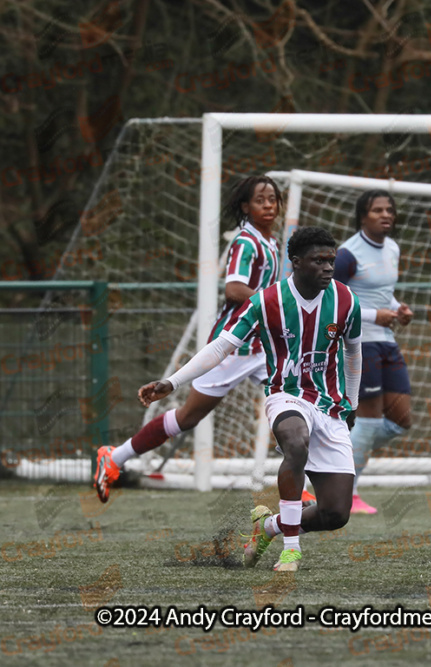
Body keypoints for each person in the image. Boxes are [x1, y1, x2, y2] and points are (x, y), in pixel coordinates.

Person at [138, 226, 362, 572]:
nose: (328, 268)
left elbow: (353, 353)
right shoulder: (266, 301)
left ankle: (269, 526)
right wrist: (173, 381)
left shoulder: (346, 299)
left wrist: (352, 402)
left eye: (331, 260)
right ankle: (291, 549)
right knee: (295, 443)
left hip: (329, 405)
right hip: (286, 396)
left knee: (335, 514)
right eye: (319, 261)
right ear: (296, 262)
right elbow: (221, 346)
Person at [94, 175, 283, 502]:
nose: (268, 205)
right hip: (233, 345)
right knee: (188, 417)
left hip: (263, 347)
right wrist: (272, 303)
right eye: (260, 199)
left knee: (293, 403)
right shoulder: (247, 242)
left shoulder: (272, 242)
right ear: (245, 207)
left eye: (273, 199)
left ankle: (303, 488)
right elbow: (234, 289)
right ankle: (115, 457)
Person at [333, 190, 414, 514]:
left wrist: (399, 309)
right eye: (377, 210)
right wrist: (371, 315)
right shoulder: (346, 255)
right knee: (367, 421)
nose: (385, 215)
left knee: (400, 421)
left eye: (389, 210)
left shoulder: (392, 248)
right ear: (362, 216)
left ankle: (331, 452)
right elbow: (333, 301)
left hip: (386, 340)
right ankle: (347, 494)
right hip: (358, 342)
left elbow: (382, 293)